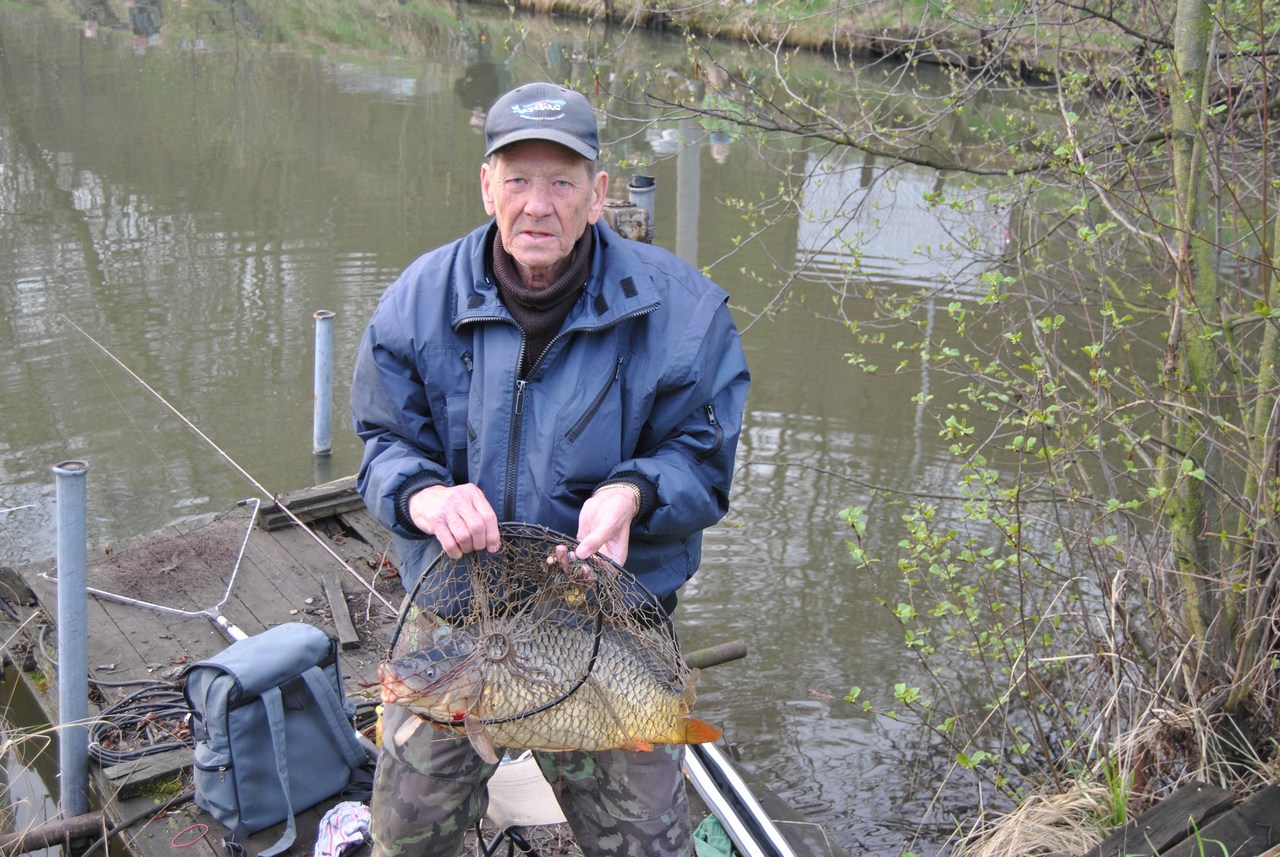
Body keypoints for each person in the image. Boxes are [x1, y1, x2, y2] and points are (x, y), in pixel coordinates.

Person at [350, 81, 750, 857]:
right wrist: (423, 495)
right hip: (460, 620)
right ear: (486, 186)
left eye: (562, 182)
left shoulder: (684, 312)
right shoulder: (417, 301)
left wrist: (634, 492)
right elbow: (383, 442)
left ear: (598, 195)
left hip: (607, 626)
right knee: (403, 832)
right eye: (518, 180)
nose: (538, 205)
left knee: (648, 845)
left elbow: (704, 457)